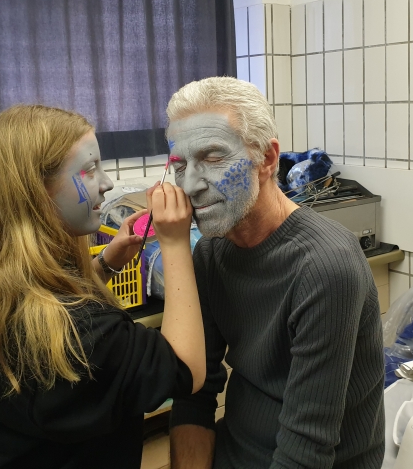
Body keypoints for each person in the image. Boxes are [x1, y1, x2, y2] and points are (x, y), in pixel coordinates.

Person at [0, 105, 205, 469]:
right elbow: (185, 369)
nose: (107, 183)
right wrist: (175, 242)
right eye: (89, 170)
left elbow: (42, 294)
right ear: (36, 190)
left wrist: (106, 263)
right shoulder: (75, 333)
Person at [165, 77, 385, 468]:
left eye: (213, 157)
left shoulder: (326, 267)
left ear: (267, 159)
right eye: (180, 165)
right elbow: (195, 393)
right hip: (239, 450)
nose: (191, 185)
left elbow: (308, 447)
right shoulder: (211, 253)